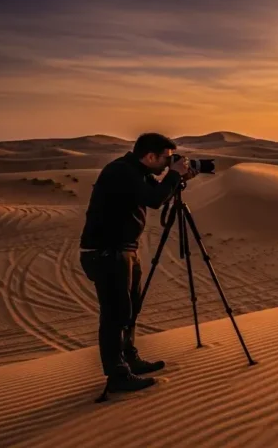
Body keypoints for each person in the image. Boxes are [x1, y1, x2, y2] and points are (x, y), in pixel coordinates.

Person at [79, 132, 195, 392]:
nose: (168, 163)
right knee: (115, 314)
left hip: (125, 250)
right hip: (106, 252)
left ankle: (130, 359)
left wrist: (178, 179)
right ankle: (118, 375)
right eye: (165, 158)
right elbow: (154, 200)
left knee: (130, 310)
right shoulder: (121, 172)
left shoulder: (138, 172)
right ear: (150, 156)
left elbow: (160, 194)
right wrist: (174, 175)